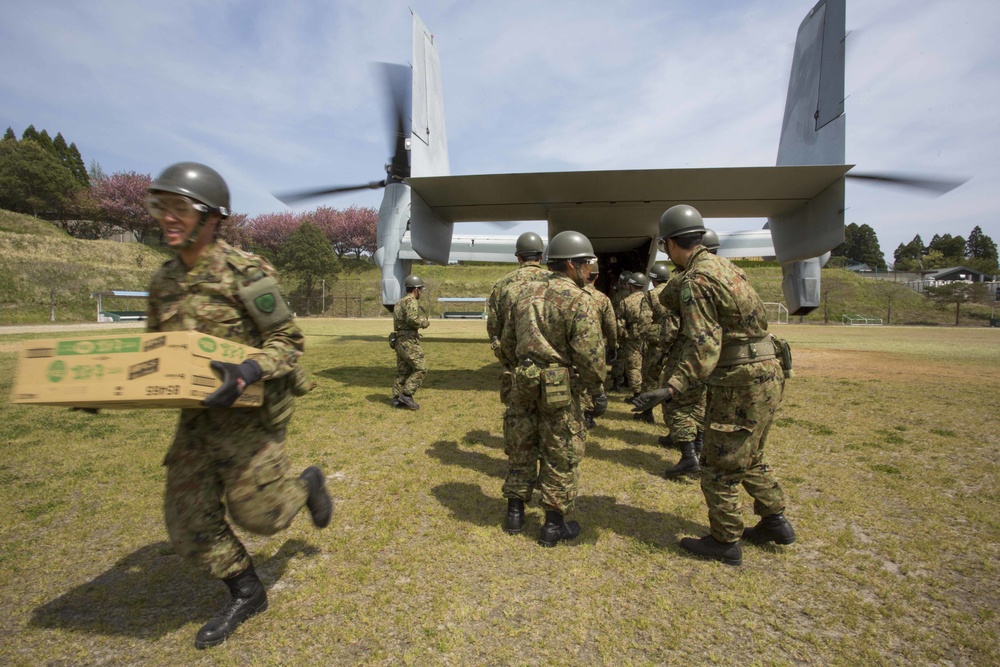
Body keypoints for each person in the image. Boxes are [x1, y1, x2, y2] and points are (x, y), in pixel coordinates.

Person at [144, 162, 333, 649]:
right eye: (159, 207)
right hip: (196, 418)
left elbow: (288, 340)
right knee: (187, 523)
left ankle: (307, 483)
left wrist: (249, 369)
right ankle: (247, 592)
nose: (167, 218)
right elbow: (155, 354)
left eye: (178, 208)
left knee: (262, 518)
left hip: (249, 414)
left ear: (211, 217)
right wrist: (102, 392)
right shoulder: (163, 281)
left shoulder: (244, 272)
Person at [633, 205, 795, 566]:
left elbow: (704, 344)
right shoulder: (726, 267)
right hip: (768, 370)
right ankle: (775, 520)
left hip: (741, 379)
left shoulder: (697, 280)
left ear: (671, 243)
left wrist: (670, 388)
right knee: (749, 454)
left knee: (719, 466)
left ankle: (725, 542)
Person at [498, 231, 607, 546]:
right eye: (586, 264)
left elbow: (506, 344)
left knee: (520, 444)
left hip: (521, 380)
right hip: (559, 387)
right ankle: (552, 525)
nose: (589, 271)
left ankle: (514, 514)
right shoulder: (577, 299)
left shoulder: (522, 294)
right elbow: (590, 355)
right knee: (560, 451)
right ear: (571, 264)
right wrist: (596, 389)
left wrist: (522, 366)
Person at [486, 232, 548, 405]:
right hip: (552, 361)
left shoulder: (503, 284)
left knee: (519, 414)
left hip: (516, 360)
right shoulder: (556, 282)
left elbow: (493, 326)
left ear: (518, 257)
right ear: (541, 256)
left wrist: (502, 352)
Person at [581, 266, 618, 428]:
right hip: (596, 346)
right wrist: (613, 344)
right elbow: (611, 326)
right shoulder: (603, 299)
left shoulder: (572, 295)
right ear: (596, 277)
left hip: (573, 345)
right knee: (592, 378)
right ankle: (588, 414)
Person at [392, 275, 430, 410]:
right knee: (421, 368)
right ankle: (407, 395)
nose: (421, 292)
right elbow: (412, 320)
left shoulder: (399, 302)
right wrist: (423, 323)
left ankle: (397, 399)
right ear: (416, 289)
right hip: (408, 340)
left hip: (399, 339)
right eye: (421, 289)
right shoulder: (411, 301)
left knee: (403, 371)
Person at [617, 272, 652, 409]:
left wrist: (623, 337)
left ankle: (637, 394)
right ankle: (647, 391)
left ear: (631, 285)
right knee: (646, 364)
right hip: (649, 337)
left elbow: (620, 323)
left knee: (633, 365)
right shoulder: (649, 298)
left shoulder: (625, 302)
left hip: (633, 338)